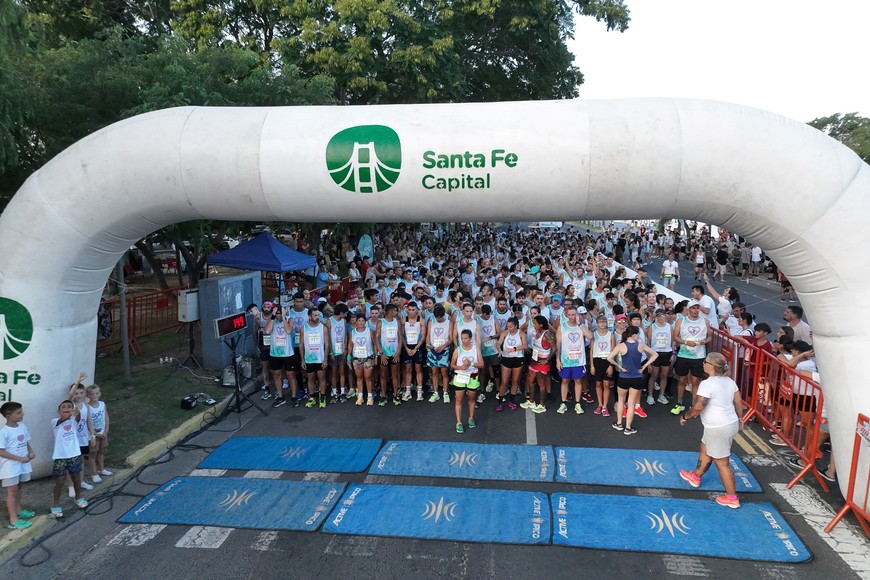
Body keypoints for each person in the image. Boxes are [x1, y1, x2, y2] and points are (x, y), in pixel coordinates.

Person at [679, 353, 744, 509]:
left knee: (722, 464)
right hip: (728, 424)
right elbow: (738, 401)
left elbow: (698, 407)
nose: (703, 364)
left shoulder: (707, 384)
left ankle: (732, 497)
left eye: (705, 362)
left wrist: (686, 417)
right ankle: (695, 476)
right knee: (705, 448)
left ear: (712, 367)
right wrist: (740, 419)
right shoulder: (729, 381)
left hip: (717, 428)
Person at [607, 325, 658, 435]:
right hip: (637, 377)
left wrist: (619, 366)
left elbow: (609, 358)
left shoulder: (621, 345)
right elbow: (655, 354)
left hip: (624, 377)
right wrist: (644, 367)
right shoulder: (641, 345)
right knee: (631, 403)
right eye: (638, 334)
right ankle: (628, 428)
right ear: (634, 335)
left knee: (621, 401)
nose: (639, 336)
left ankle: (619, 423)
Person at [0, 402, 36, 530]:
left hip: (22, 464)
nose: (22, 415)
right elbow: (1, 451)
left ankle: (19, 510)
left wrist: (30, 451)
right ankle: (13, 520)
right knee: (12, 492)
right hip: (10, 467)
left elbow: (25, 441)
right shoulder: (4, 432)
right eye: (19, 413)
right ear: (8, 416)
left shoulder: (22, 426)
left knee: (19, 488)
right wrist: (19, 458)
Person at [51, 400, 89, 518]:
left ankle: (79, 497)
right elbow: (63, 419)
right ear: (59, 411)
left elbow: (77, 418)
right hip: (60, 456)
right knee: (60, 481)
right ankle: (55, 505)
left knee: (76, 478)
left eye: (69, 406)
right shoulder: (54, 421)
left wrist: (76, 413)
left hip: (74, 454)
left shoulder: (73, 420)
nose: (66, 408)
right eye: (63, 407)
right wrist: (71, 413)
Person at [554, 305, 594, 415]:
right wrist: (558, 359)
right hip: (566, 360)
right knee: (565, 380)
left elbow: (590, 337)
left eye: (574, 314)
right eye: (570, 315)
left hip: (578, 360)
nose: (572, 317)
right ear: (566, 315)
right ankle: (563, 403)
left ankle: (577, 403)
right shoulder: (562, 327)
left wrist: (580, 324)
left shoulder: (581, 326)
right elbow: (558, 345)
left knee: (578, 380)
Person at [450, 329, 484, 433]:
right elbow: (452, 365)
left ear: (470, 339)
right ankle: (459, 422)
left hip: (472, 377)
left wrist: (471, 364)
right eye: (462, 338)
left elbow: (482, 364)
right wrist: (460, 367)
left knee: (472, 399)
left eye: (466, 338)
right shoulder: (458, 350)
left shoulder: (475, 349)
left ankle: (471, 418)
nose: (463, 340)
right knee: (459, 400)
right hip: (460, 377)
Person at [67, 373, 95, 494]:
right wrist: (77, 381)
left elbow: (89, 422)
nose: (79, 395)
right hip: (72, 439)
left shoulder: (85, 406)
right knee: (71, 462)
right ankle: (71, 485)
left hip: (83, 439)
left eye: (81, 393)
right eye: (76, 393)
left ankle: (81, 481)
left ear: (84, 393)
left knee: (81, 461)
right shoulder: (69, 405)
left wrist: (92, 436)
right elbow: (69, 396)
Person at [301, 308, 330, 408]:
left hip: (320, 358)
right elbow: (301, 345)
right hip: (309, 359)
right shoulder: (304, 328)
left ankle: (322, 396)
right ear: (309, 316)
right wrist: (302, 360)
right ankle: (312, 397)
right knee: (310, 378)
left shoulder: (323, 328)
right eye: (315, 315)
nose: (317, 317)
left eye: (318, 315)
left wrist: (326, 359)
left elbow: (327, 344)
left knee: (322, 378)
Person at [496, 316, 526, 411]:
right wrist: (499, 350)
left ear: (516, 326)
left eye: (511, 327)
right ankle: (500, 402)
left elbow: (525, 345)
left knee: (515, 381)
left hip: (517, 358)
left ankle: (512, 401)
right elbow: (498, 343)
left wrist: (515, 349)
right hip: (506, 358)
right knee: (504, 382)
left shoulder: (521, 334)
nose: (509, 328)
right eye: (508, 326)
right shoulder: (505, 333)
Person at [426, 305, 453, 403]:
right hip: (432, 350)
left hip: (444, 350)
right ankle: (436, 392)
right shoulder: (431, 322)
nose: (438, 319)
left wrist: (444, 346)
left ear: (443, 315)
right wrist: (428, 344)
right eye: (436, 317)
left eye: (440, 317)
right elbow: (428, 336)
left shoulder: (449, 323)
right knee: (434, 372)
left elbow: (452, 338)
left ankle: (445, 392)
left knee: (444, 372)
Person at [349, 313, 376, 406]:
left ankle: (370, 396)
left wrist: (376, 357)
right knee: (359, 378)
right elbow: (350, 345)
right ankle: (360, 396)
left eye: (362, 321)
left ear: (365, 322)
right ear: (356, 322)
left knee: (368, 378)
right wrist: (349, 356)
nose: (360, 322)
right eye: (359, 320)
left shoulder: (370, 331)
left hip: (368, 357)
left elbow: (375, 344)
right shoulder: (353, 332)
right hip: (357, 358)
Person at [86, 384, 111, 483]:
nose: (95, 395)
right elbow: (88, 422)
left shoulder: (102, 404)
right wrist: (93, 434)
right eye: (92, 394)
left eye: (97, 393)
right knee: (93, 454)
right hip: (94, 435)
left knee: (101, 452)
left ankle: (101, 469)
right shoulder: (87, 407)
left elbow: (106, 417)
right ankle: (94, 473)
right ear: (88, 395)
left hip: (103, 433)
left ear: (100, 393)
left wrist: (106, 431)